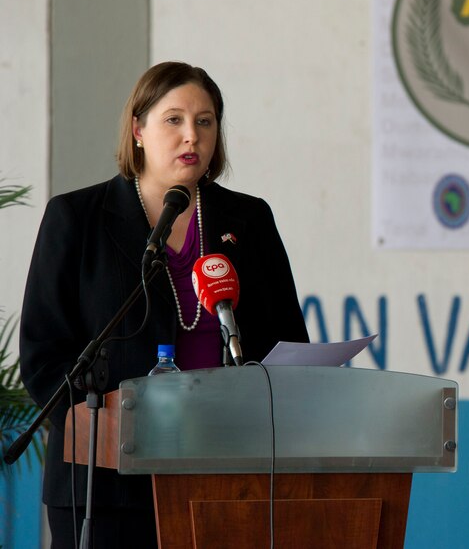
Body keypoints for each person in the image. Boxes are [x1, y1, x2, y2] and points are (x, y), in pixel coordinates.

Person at [19, 61, 310, 549]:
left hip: (225, 475)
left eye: (205, 121)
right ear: (138, 129)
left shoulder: (249, 219)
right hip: (105, 488)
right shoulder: (77, 218)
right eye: (173, 120)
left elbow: (287, 340)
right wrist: (110, 425)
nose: (191, 136)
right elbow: (44, 358)